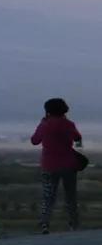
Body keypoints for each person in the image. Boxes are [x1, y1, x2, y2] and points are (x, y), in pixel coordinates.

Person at [31, 97, 82, 234]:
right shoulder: (68, 124)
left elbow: (34, 141)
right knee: (70, 196)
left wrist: (42, 123)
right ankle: (74, 225)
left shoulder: (45, 125)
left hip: (49, 165)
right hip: (68, 165)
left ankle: (45, 224)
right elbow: (77, 137)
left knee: (48, 196)